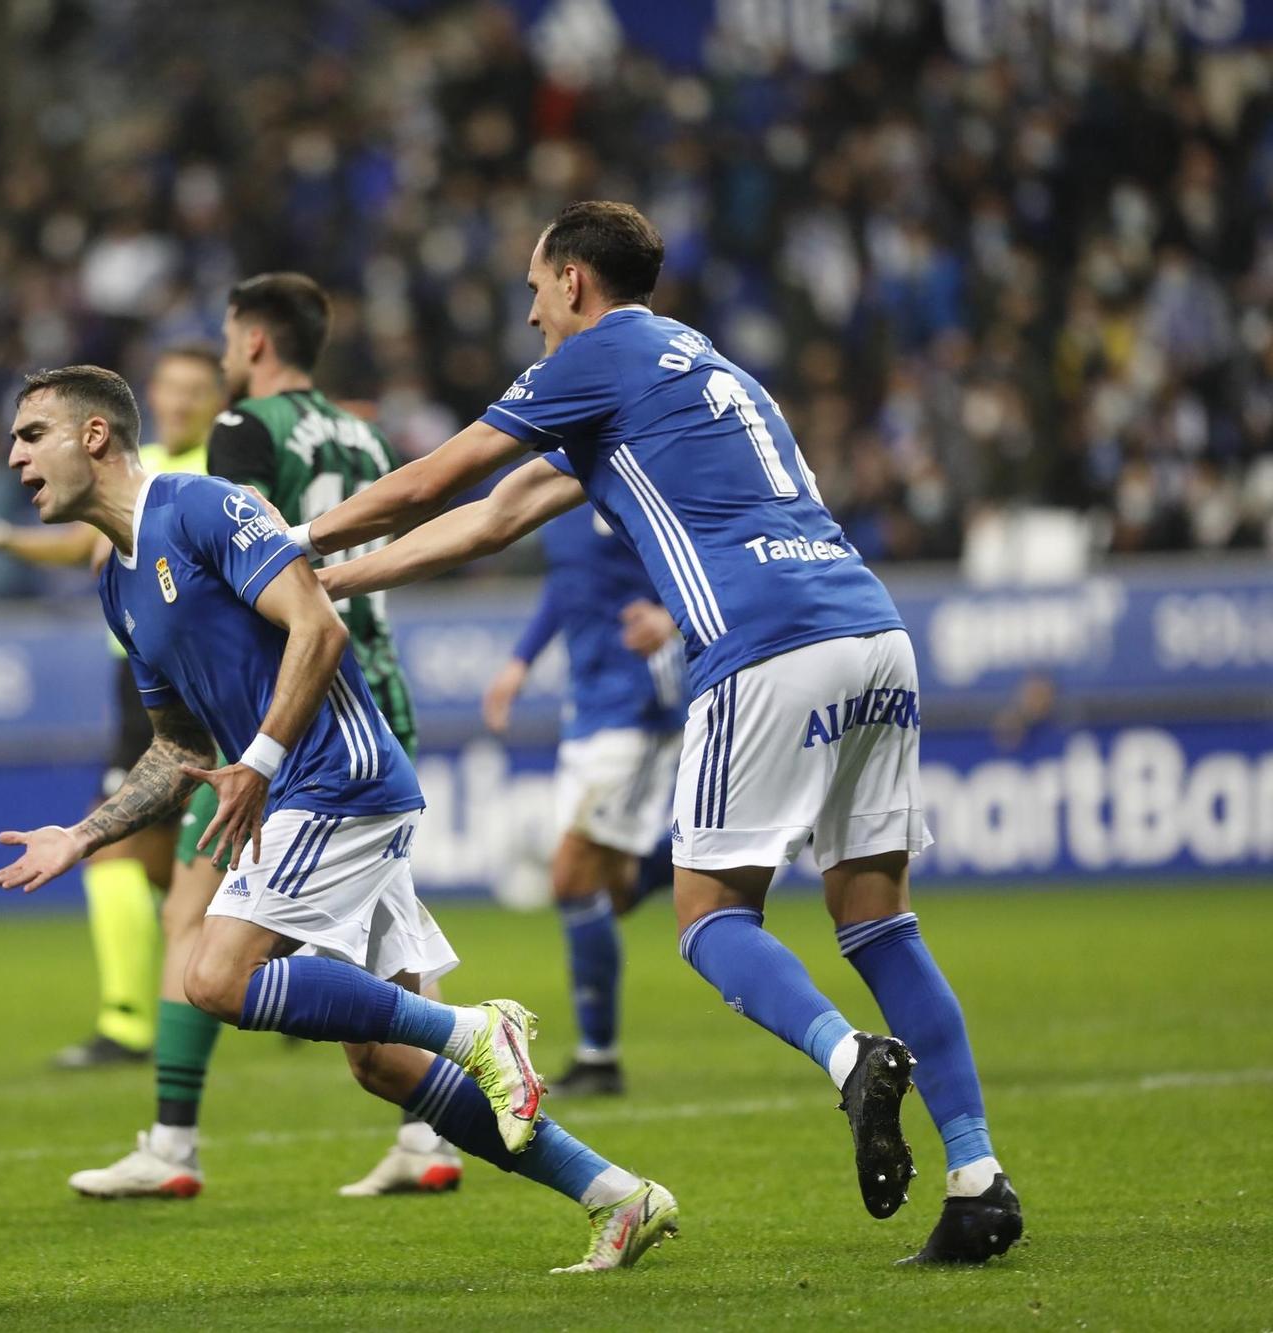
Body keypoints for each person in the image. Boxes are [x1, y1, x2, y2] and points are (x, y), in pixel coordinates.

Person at [297, 202, 1023, 1265]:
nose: (531, 308)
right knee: (877, 920)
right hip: (868, 628)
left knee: (704, 915)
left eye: (537, 286)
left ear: (576, 284)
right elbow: (497, 515)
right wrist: (346, 575)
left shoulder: (598, 353)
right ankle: (976, 1180)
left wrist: (288, 541)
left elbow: (428, 481)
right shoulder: (697, 367)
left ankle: (844, 1057)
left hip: (759, 641)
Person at [0, 364, 678, 1272]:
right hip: (305, 788)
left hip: (333, 778)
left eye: (30, 434)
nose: (13, 456)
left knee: (214, 976)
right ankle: (617, 1195)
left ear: (94, 436)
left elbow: (320, 627)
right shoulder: (117, 585)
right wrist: (83, 834)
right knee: (383, 1063)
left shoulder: (202, 506)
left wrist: (261, 763)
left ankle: (476, 1030)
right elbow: (175, 741)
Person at [68, 274, 455, 1201]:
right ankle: (428, 1131)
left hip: (292, 708)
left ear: (250, 339)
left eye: (229, 333)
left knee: (188, 920)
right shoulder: (363, 430)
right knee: (390, 938)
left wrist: (254, 742)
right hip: (379, 690)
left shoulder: (244, 432)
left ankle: (171, 1142)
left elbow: (229, 573)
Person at [0, 344, 224, 1069]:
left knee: (121, 856)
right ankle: (261, 953)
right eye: (169, 386)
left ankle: (130, 1020)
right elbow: (82, 549)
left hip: (200, 677)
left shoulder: (212, 477)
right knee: (166, 866)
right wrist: (2, 538)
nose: (180, 401)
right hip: (140, 681)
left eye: (196, 389)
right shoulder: (133, 467)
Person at [478, 497, 684, 1095]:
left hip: (637, 703)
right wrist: (519, 662)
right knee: (607, 891)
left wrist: (671, 618)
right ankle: (710, 858)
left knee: (570, 878)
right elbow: (567, 585)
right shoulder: (557, 483)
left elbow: (708, 552)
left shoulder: (630, 470)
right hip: (588, 705)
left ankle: (599, 1059)